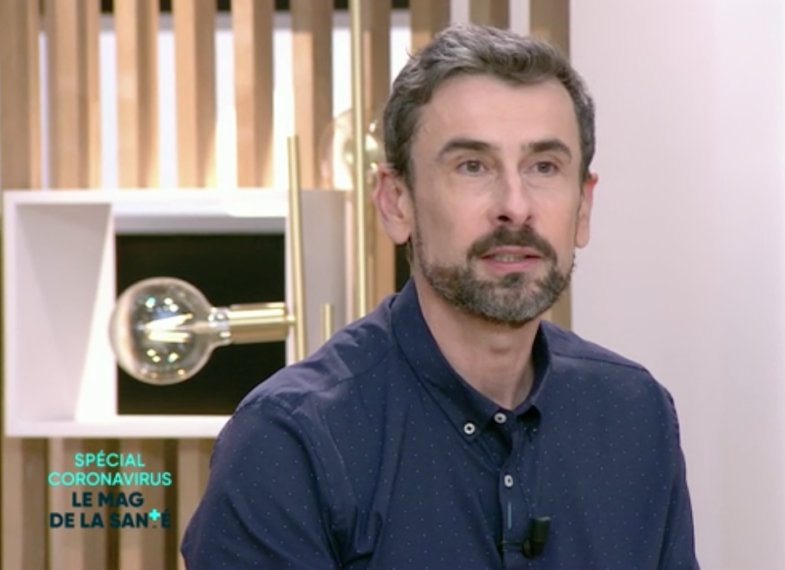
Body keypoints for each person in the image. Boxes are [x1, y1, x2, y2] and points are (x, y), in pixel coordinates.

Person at [181, 23, 700, 569]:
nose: (515, 206)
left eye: (544, 167)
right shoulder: (290, 442)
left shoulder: (635, 416)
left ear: (583, 206)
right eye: (472, 166)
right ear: (396, 202)